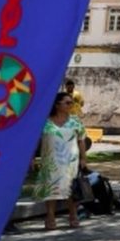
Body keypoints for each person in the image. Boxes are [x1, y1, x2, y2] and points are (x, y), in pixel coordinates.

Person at [34, 92, 88, 230]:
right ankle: (50, 216)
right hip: (50, 161)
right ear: (57, 105)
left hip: (71, 161)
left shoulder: (75, 121)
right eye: (67, 103)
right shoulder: (44, 121)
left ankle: (73, 214)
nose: (71, 105)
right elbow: (35, 142)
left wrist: (83, 158)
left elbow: (81, 140)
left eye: (72, 102)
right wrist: (32, 158)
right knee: (51, 189)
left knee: (71, 188)